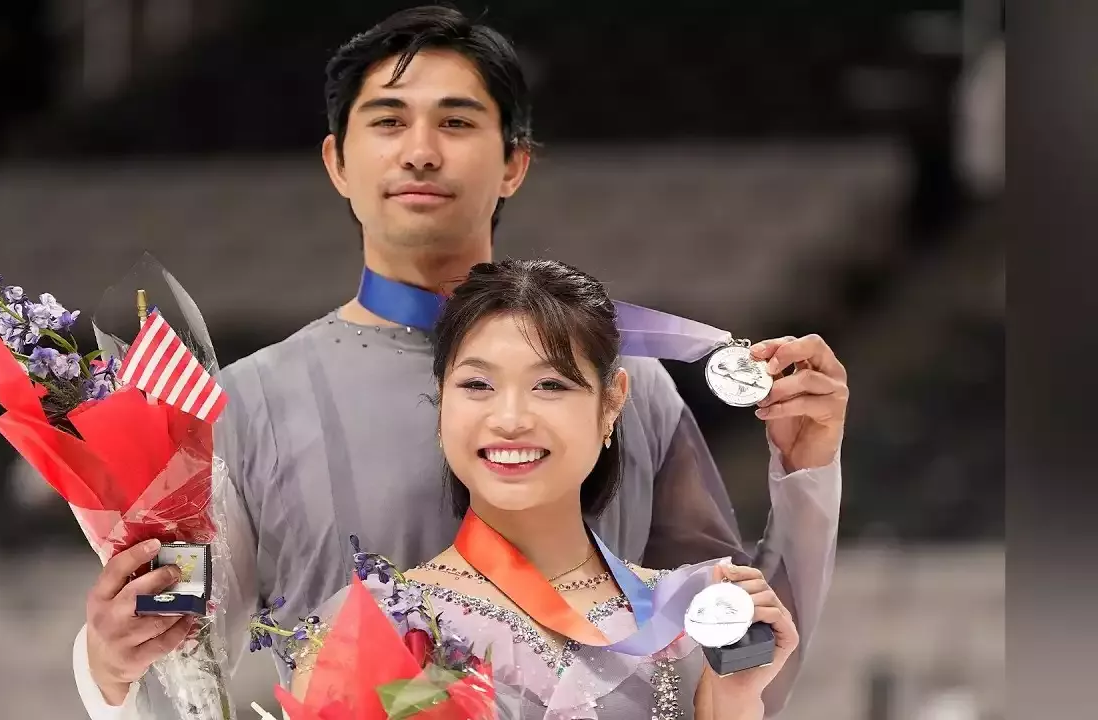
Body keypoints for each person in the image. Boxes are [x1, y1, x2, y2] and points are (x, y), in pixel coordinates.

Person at [72, 6, 846, 719]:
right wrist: (108, 665)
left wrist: (807, 475)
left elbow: (740, 661)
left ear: (514, 163)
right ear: (337, 161)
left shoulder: (633, 385)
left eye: (456, 120)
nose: (420, 151)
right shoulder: (241, 406)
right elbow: (183, 662)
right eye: (388, 121)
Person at [283, 259, 802, 720]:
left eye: (550, 385)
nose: (510, 419)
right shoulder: (379, 625)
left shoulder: (691, 617)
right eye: (477, 385)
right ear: (442, 402)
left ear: (612, 403)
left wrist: (731, 705)